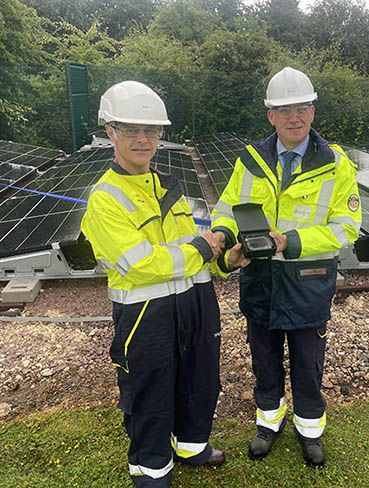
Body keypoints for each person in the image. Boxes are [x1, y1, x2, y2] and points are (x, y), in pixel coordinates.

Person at [81, 80, 248, 487]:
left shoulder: (168, 186)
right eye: (131, 130)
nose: (143, 139)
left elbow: (189, 257)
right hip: (145, 317)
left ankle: (192, 445)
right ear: (110, 133)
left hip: (194, 304)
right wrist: (204, 251)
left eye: (151, 131)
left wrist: (225, 261)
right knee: (149, 393)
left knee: (200, 379)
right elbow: (141, 265)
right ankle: (151, 469)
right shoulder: (105, 199)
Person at [210, 67, 362, 468]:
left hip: (308, 285)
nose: (295, 116)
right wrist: (223, 240)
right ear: (270, 116)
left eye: (302, 107)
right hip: (260, 281)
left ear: (312, 112)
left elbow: (346, 228)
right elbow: (227, 208)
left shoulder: (336, 164)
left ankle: (310, 430)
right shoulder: (251, 160)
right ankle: (268, 424)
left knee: (308, 365)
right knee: (264, 359)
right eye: (285, 109)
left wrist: (291, 242)